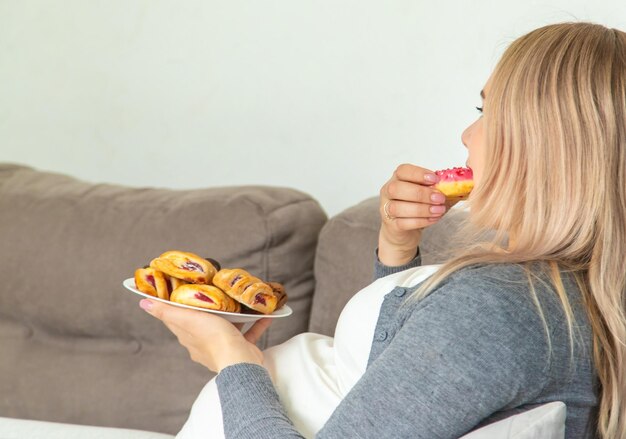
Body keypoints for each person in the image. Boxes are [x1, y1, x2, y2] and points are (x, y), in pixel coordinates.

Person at [139, 22, 626, 438]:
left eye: (487, 112)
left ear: (541, 145)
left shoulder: (499, 308)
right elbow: (407, 384)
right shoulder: (554, 292)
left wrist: (232, 358)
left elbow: (463, 338)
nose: (466, 135)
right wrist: (397, 245)